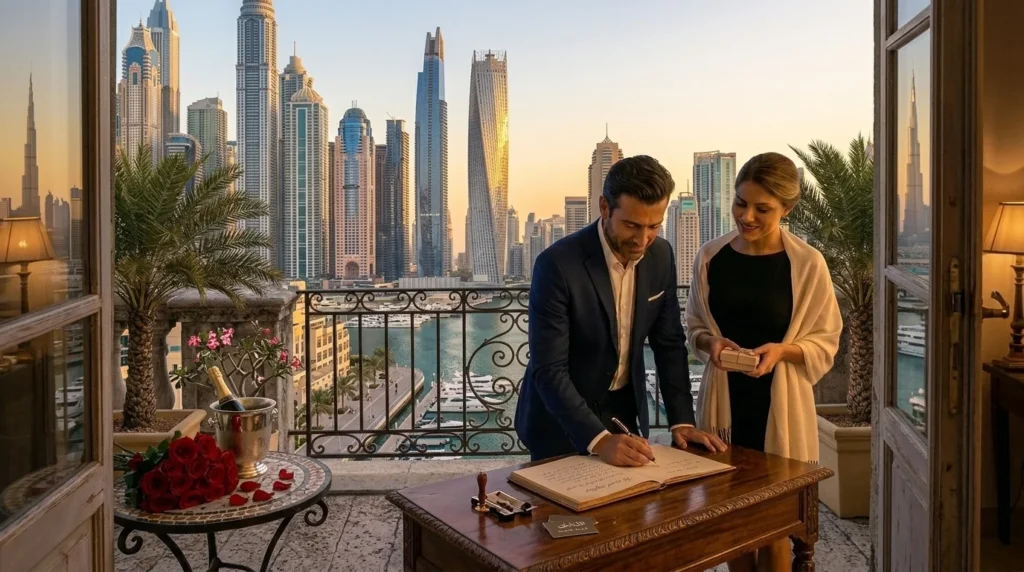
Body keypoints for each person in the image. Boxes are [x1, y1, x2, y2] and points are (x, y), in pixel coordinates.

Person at [684, 152, 842, 572]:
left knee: (774, 527)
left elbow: (826, 339)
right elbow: (694, 326)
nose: (746, 215)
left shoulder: (808, 264)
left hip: (781, 407)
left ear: (787, 209)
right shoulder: (710, 257)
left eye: (762, 208)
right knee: (730, 524)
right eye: (740, 203)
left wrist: (782, 351)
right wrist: (710, 343)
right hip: (724, 405)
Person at [515, 155, 727, 466]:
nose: (643, 240)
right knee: (564, 516)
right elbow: (549, 370)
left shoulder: (661, 256)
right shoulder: (557, 265)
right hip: (559, 423)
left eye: (654, 226)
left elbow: (668, 343)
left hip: (624, 415)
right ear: (604, 208)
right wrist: (599, 440)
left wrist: (682, 421)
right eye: (631, 225)